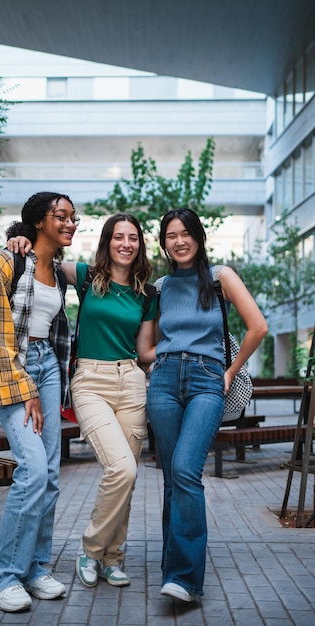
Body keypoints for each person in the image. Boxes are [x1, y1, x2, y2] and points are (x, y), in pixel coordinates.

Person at [8, 213, 157, 589]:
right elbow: (45, 259)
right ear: (108, 241)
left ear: (140, 245)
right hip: (90, 381)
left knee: (128, 476)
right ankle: (91, 549)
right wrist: (20, 240)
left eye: (133, 238)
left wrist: (183, 346)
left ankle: (112, 558)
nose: (126, 244)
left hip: (132, 382)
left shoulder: (147, 293)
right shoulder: (88, 277)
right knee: (121, 468)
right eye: (119, 237)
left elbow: (144, 350)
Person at [140, 208, 268, 603]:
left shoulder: (219, 277)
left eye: (185, 233)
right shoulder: (159, 287)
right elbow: (145, 350)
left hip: (207, 381)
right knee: (170, 479)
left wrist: (229, 372)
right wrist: (172, 351)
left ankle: (186, 580)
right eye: (170, 236)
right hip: (162, 381)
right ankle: (173, 572)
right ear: (163, 242)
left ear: (198, 236)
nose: (178, 241)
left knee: (184, 470)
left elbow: (258, 326)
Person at [0, 191, 79, 613]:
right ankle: (1, 578)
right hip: (10, 369)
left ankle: (36, 569)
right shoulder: (6, 261)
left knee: (50, 475)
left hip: (48, 367)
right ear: (39, 221)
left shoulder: (57, 270)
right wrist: (28, 389)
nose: (71, 223)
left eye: (74, 217)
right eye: (62, 216)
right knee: (32, 469)